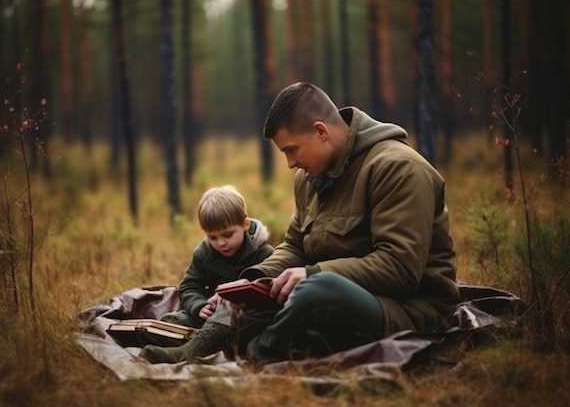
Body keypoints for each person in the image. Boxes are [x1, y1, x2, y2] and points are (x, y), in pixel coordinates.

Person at [143, 81, 459, 364]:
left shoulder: (398, 169)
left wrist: (312, 274)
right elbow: (295, 245)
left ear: (321, 131)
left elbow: (400, 268)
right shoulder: (310, 178)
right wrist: (250, 281)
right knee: (262, 293)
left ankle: (257, 354)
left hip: (410, 311)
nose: (291, 163)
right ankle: (198, 347)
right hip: (329, 293)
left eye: (292, 150)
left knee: (317, 289)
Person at [140, 185, 273, 362]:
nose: (221, 243)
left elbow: (270, 292)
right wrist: (198, 306)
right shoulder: (203, 253)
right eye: (213, 237)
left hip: (243, 318)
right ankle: (162, 337)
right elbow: (189, 287)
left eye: (227, 235)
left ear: (245, 225)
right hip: (208, 313)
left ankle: (188, 352)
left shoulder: (265, 254)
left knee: (227, 312)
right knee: (174, 319)